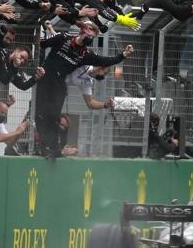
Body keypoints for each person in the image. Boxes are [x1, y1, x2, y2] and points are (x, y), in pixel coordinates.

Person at [36, 20, 134, 158]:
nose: (90, 38)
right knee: (40, 115)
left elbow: (106, 60)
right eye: (90, 34)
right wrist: (47, 29)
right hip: (45, 80)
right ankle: (41, 146)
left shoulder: (85, 56)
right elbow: (43, 42)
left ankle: (53, 148)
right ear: (82, 30)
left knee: (54, 117)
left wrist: (123, 55)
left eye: (93, 37)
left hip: (59, 85)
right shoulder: (64, 38)